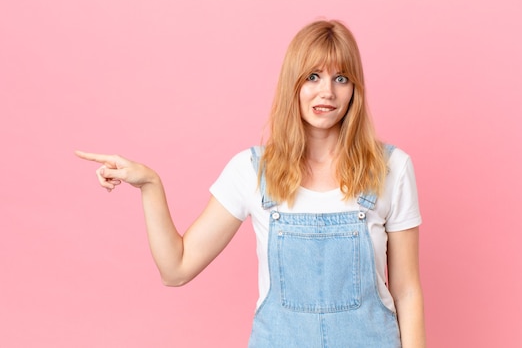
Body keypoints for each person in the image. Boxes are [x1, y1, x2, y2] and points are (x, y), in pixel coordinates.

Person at [76, 20, 426, 348]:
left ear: (355, 89)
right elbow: (176, 269)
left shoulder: (391, 168)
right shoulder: (251, 171)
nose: (327, 92)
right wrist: (150, 184)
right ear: (294, 83)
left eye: (341, 78)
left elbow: (407, 291)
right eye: (313, 76)